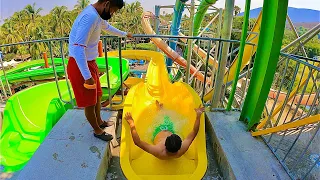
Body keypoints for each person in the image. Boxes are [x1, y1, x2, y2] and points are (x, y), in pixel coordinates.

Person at [67, 0, 132, 142]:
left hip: (90, 62)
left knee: (97, 96)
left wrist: (124, 34)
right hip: (80, 65)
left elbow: (107, 27)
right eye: (113, 10)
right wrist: (87, 76)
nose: (112, 14)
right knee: (89, 102)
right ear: (106, 4)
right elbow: (78, 49)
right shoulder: (89, 17)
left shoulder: (96, 15)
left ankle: (100, 121)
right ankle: (97, 130)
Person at [124, 101, 205, 160]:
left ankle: (159, 109)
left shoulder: (158, 151)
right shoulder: (182, 149)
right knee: (166, 117)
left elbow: (137, 142)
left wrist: (132, 124)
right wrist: (198, 115)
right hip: (170, 129)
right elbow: (194, 131)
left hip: (157, 131)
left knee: (158, 119)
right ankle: (160, 109)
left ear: (165, 144)